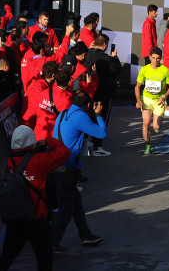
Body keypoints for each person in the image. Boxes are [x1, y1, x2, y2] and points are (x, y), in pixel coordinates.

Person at [0, 126, 69, 271]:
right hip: (37, 221)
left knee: (5, 259)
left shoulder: (6, 163)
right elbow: (64, 153)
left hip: (15, 221)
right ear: (31, 142)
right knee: (44, 260)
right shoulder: (39, 161)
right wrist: (47, 141)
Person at [51, 91, 106, 251]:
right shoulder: (80, 117)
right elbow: (101, 133)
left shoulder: (63, 113)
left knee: (76, 203)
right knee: (66, 208)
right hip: (66, 169)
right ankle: (52, 242)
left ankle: (85, 235)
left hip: (58, 165)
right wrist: (99, 115)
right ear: (88, 105)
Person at [85, 34, 121, 157]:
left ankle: (87, 143)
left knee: (89, 115)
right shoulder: (107, 59)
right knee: (101, 117)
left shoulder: (87, 54)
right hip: (104, 93)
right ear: (105, 45)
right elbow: (117, 71)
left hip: (89, 92)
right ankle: (96, 146)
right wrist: (115, 57)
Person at [135, 47, 169, 155]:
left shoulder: (165, 70)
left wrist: (164, 96)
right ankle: (147, 145)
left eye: (158, 58)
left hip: (159, 100)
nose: (155, 60)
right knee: (146, 122)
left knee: (156, 126)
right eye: (153, 58)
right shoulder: (144, 69)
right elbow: (137, 86)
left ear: (160, 58)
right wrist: (138, 100)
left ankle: (157, 124)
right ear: (149, 57)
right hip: (146, 99)